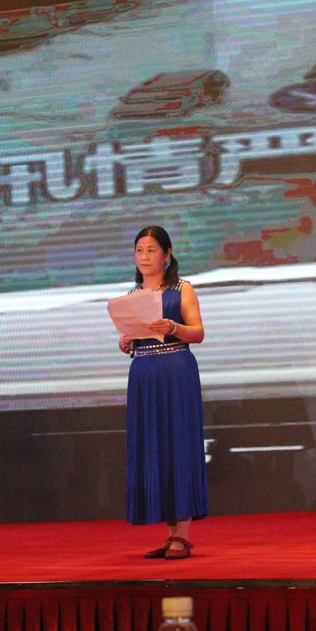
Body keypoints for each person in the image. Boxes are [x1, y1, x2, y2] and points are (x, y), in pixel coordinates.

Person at [118, 226, 208, 559]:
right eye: (139, 250)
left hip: (176, 372)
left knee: (178, 446)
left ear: (167, 255)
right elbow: (135, 338)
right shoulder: (132, 296)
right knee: (154, 449)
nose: (144, 257)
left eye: (151, 250)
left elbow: (198, 333)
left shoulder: (182, 289)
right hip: (144, 374)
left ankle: (182, 536)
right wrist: (127, 343)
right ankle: (171, 534)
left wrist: (174, 327)